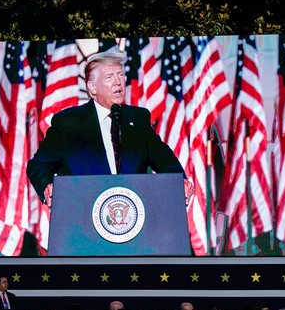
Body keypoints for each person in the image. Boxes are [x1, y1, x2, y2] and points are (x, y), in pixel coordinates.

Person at [26, 50, 191, 209]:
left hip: (133, 217)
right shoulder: (68, 123)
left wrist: (179, 181)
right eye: (109, 77)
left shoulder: (138, 119)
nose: (118, 82)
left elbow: (164, 159)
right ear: (92, 88)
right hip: (82, 216)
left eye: (120, 75)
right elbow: (38, 165)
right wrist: (47, 186)